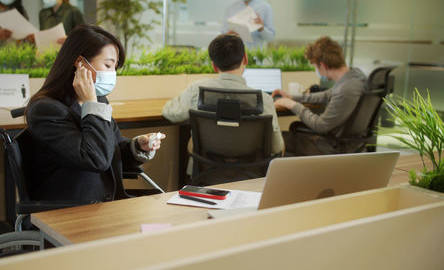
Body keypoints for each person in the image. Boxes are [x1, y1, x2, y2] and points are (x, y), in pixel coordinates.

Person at [26, 24, 165, 201]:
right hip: (71, 211)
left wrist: (138, 146)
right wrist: (91, 103)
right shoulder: (46, 111)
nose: (112, 73)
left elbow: (109, 149)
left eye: (115, 67)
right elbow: (96, 159)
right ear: (80, 63)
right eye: (108, 65)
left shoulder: (98, 101)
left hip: (103, 203)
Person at [163, 34, 284, 156]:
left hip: (206, 166)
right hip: (252, 171)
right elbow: (276, 147)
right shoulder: (264, 100)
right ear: (245, 59)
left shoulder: (198, 90)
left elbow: (171, 113)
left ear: (214, 66)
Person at [272, 36, 368, 155]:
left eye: (315, 67)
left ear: (322, 66)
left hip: (332, 146)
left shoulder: (347, 88)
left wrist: (293, 105)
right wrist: (292, 97)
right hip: (345, 142)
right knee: (294, 128)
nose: (316, 71)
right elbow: (326, 95)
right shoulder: (354, 77)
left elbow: (320, 125)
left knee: (274, 140)